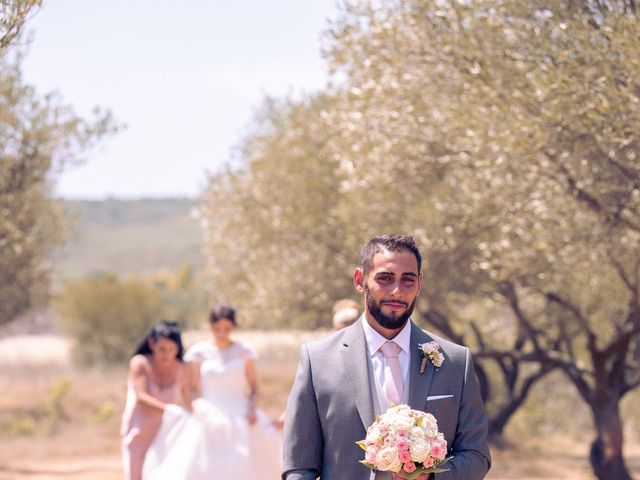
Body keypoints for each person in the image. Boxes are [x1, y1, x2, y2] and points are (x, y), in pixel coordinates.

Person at [282, 234, 491, 480]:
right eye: (385, 278)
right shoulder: (317, 360)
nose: (397, 291)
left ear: (420, 283)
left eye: (408, 280)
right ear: (360, 280)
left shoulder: (456, 361)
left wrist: (431, 477)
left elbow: (476, 454)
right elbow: (299, 467)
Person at [184, 304, 282, 478]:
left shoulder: (244, 351)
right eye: (217, 329)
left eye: (226, 328)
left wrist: (252, 408)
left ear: (233, 327)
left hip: (240, 413)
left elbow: (254, 387)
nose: (222, 333)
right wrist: (194, 406)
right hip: (208, 412)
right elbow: (191, 389)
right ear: (211, 327)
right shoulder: (199, 352)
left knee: (244, 463)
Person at [120, 320, 192, 480]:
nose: (166, 354)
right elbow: (141, 397)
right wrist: (170, 411)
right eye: (162, 349)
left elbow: (189, 399)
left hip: (167, 435)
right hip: (138, 433)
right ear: (152, 344)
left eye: (171, 349)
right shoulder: (140, 364)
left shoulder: (181, 369)